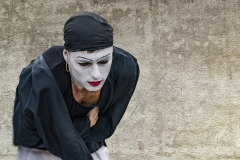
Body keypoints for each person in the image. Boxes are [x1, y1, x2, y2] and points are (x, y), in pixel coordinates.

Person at [13, 11, 139, 160]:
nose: (96, 74)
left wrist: (73, 131)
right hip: (38, 149)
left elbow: (106, 127)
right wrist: (85, 123)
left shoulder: (126, 69)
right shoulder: (44, 75)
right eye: (84, 63)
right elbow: (53, 138)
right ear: (66, 55)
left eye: (104, 61)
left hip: (90, 144)